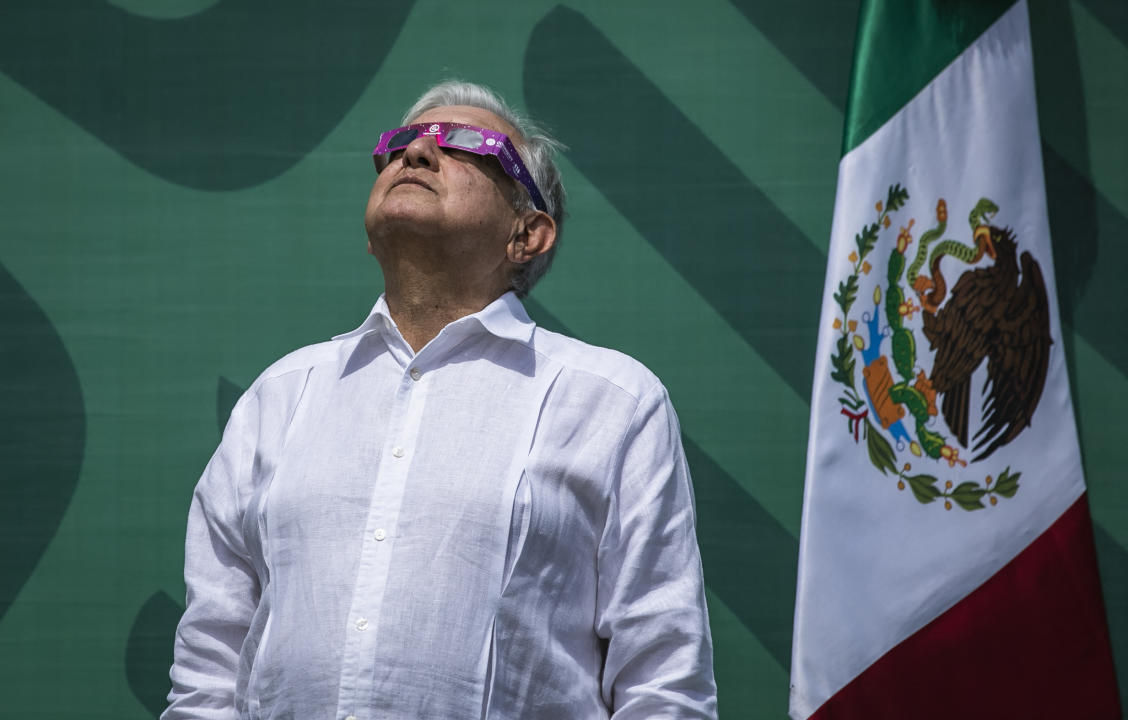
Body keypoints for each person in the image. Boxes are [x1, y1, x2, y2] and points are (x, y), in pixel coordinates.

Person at [164, 80, 716, 720]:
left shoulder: (611, 404)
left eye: (465, 144)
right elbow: (210, 667)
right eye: (399, 143)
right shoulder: (279, 398)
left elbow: (663, 681)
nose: (417, 154)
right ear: (373, 234)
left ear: (528, 234)